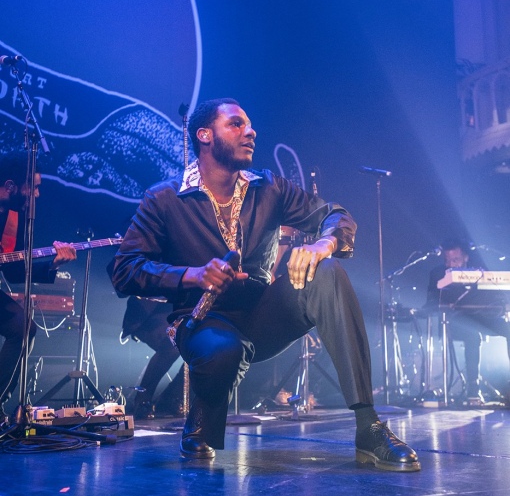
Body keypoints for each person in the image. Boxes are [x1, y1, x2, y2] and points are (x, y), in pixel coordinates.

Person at [111, 98, 420, 470]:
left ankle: (368, 428)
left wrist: (324, 244)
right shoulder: (165, 198)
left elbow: (335, 214)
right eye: (236, 124)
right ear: (205, 135)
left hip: (262, 315)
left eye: (250, 125)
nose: (250, 131)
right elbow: (124, 269)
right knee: (222, 350)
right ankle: (202, 414)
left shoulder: (269, 187)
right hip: (202, 320)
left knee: (328, 272)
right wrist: (192, 274)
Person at [0, 154, 77, 424]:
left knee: (23, 327)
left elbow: (10, 269)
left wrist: (52, 266)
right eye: (32, 187)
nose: (37, 194)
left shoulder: (12, 217)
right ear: (10, 186)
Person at [426, 238, 510, 405]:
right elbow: (430, 303)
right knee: (473, 335)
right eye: (447, 260)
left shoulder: (480, 272)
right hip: (452, 320)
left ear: (466, 258)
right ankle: (473, 390)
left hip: (482, 317)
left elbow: (497, 297)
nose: (450, 264)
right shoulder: (437, 273)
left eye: (455, 259)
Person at [121, 295, 184, 419]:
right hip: (147, 313)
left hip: (182, 313)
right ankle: (142, 399)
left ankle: (171, 396)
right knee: (172, 343)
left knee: (205, 351)